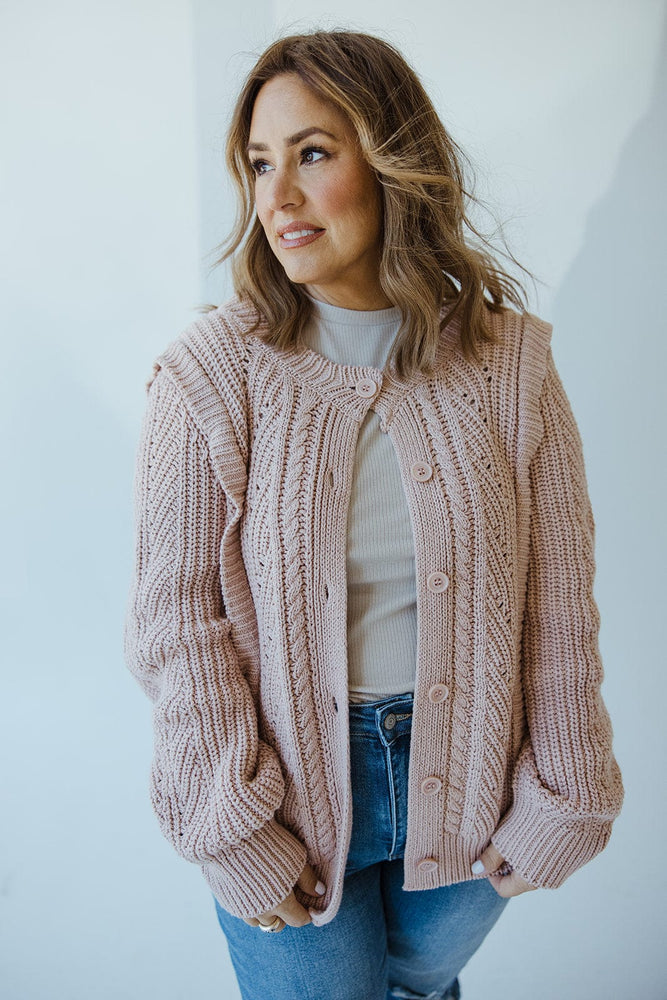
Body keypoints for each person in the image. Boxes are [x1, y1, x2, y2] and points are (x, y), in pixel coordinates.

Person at [124, 29, 624, 1000]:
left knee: (417, 985)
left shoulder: (509, 365)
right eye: (259, 165)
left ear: (394, 158)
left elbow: (559, 602)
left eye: (313, 153)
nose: (276, 197)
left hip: (478, 783)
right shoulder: (209, 378)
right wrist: (230, 823)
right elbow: (176, 625)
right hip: (285, 798)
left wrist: (567, 790)